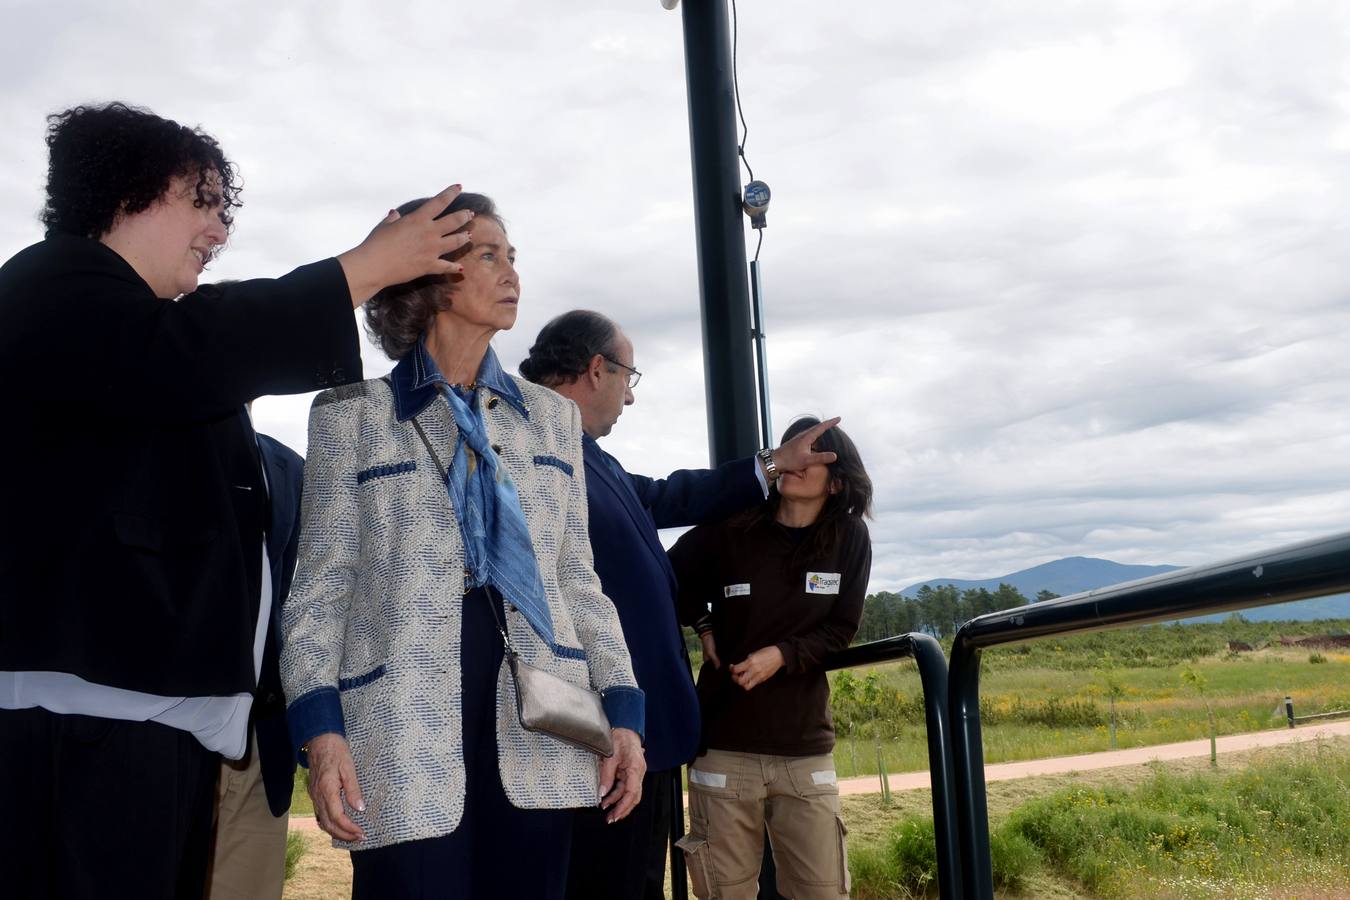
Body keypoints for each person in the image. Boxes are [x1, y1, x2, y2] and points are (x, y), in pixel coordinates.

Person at [0, 100, 472, 900]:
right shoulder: (51, 287)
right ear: (127, 194)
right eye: (204, 202)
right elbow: (202, 348)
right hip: (83, 727)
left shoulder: (142, 335)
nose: (219, 231)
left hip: (152, 723)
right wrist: (364, 269)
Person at [281, 194, 647, 900]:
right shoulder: (350, 417)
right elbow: (318, 595)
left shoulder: (552, 419)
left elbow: (577, 579)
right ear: (432, 272)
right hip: (398, 727)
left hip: (543, 716)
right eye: (488, 255)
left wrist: (624, 714)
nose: (511, 272)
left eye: (513, 257)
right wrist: (321, 736)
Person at [519, 310, 840, 900]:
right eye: (629, 378)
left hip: (638, 734)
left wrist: (770, 464)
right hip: (594, 734)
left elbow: (671, 495)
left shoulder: (591, 458)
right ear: (597, 369)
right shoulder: (532, 451)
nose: (630, 398)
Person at [670, 417, 873, 900]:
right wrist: (702, 623)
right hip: (724, 745)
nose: (798, 461)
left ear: (837, 479)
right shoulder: (733, 526)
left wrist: (782, 655)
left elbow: (841, 629)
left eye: (815, 455)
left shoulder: (849, 538)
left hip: (803, 748)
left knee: (822, 892)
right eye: (792, 450)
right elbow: (666, 575)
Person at [205, 422, 305, 900]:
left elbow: (296, 596)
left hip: (262, 742)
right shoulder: (148, 436)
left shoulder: (289, 468)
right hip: (160, 734)